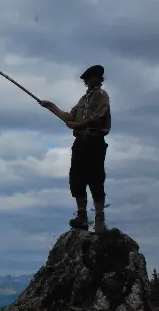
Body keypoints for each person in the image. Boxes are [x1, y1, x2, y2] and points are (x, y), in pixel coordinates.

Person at [39, 65, 111, 232]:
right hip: (80, 142)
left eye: (90, 77)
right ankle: (82, 216)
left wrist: (77, 124)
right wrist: (51, 107)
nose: (86, 81)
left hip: (95, 141)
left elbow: (97, 118)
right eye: (86, 79)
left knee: (96, 178)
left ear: (98, 78)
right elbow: (69, 117)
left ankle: (99, 218)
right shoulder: (82, 99)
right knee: (77, 178)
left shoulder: (101, 96)